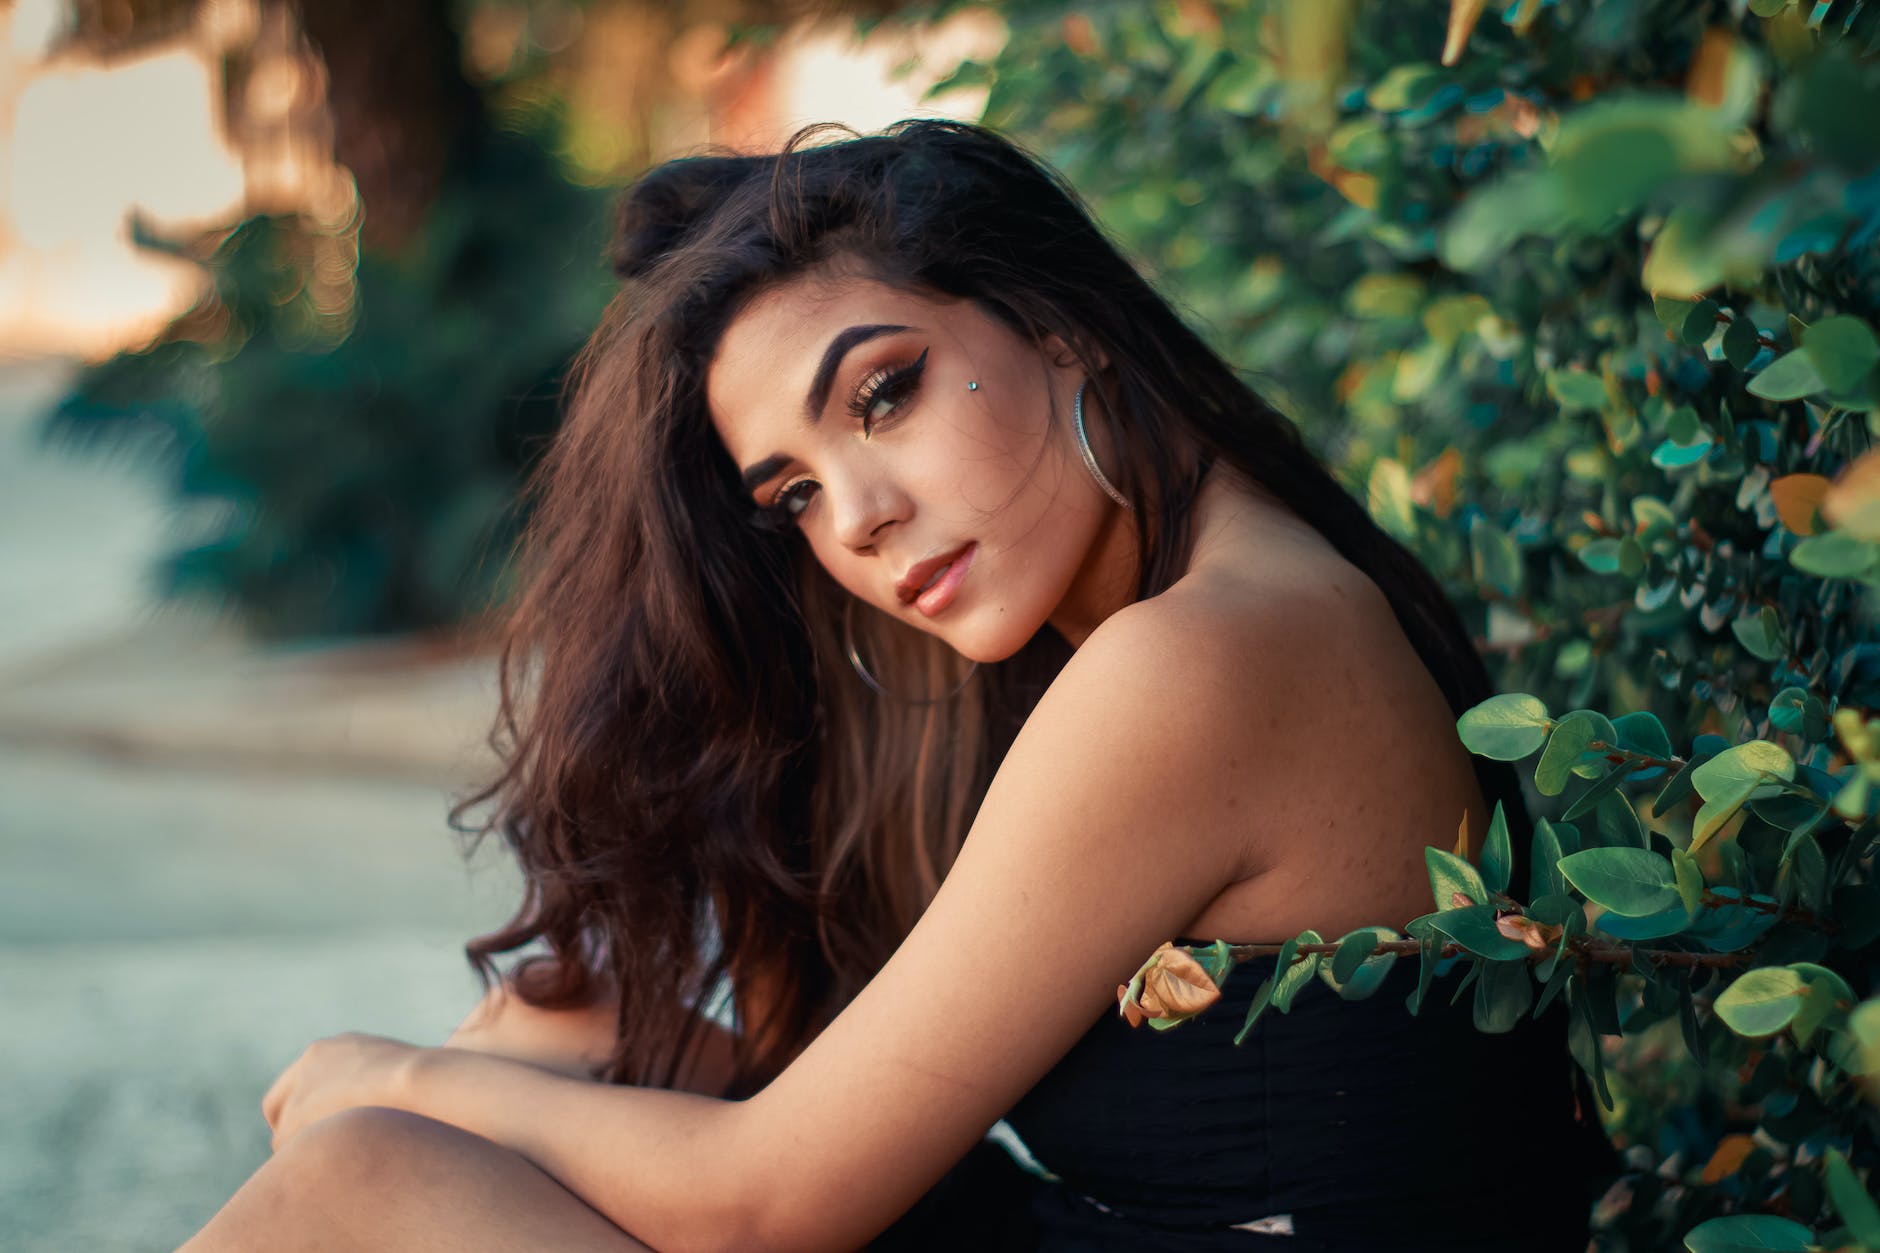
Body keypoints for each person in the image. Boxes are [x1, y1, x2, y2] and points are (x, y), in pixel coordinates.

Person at [178, 118, 1619, 1253]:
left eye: (884, 393)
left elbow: (768, 1202)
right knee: (561, 1047)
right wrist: (605, 1039)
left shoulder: (1199, 660)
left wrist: (410, 1084)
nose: (854, 517)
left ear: (1058, 324)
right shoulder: (1213, 600)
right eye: (791, 490)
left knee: (368, 1173)